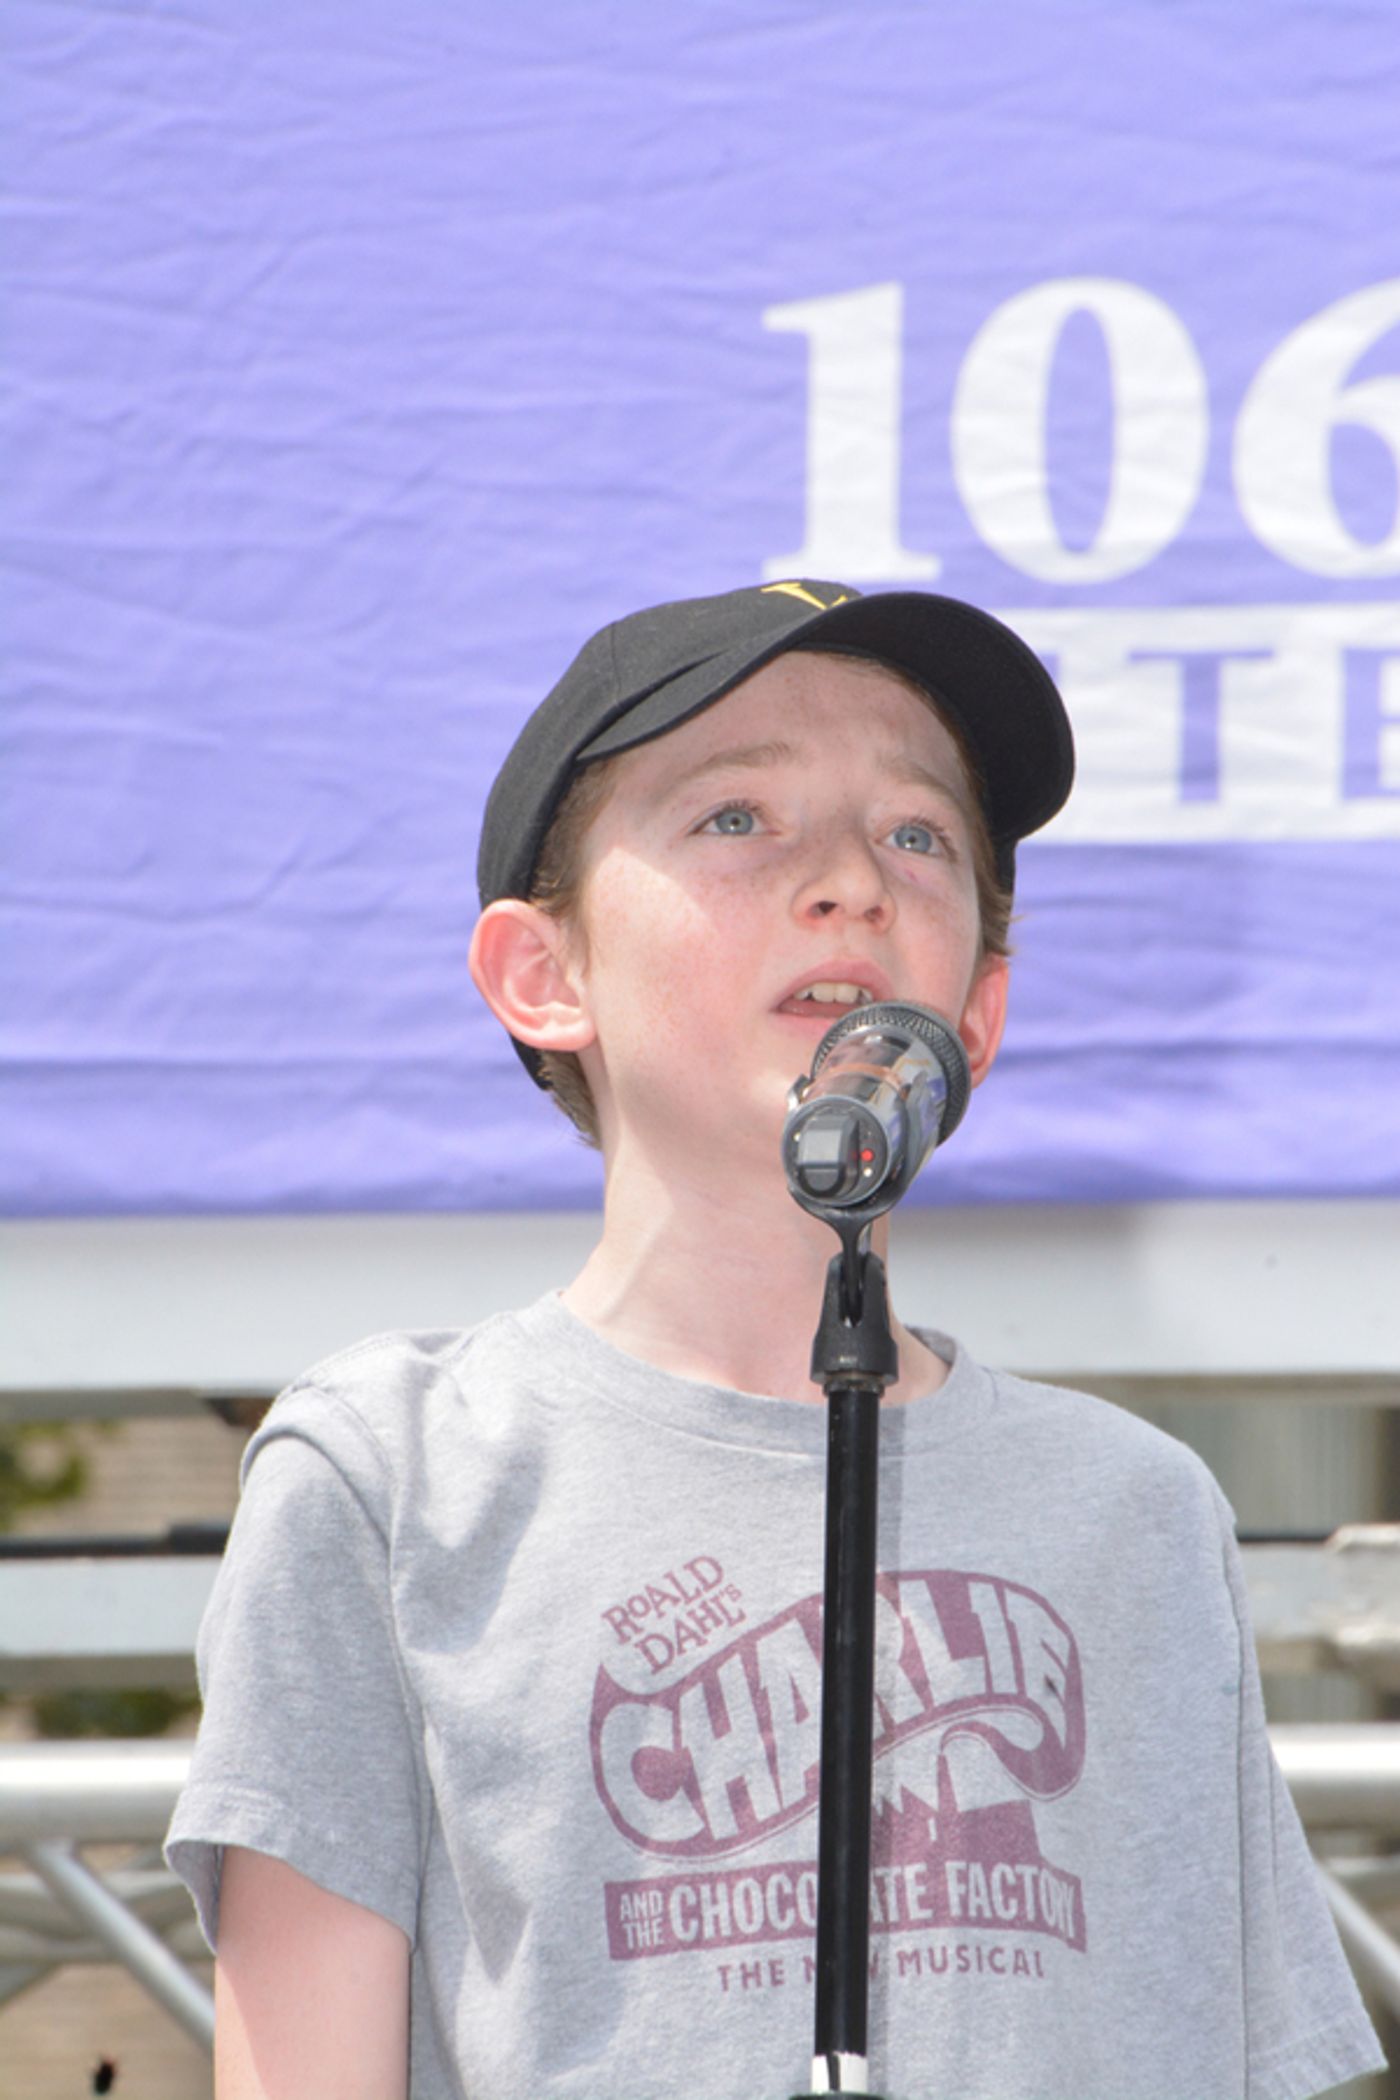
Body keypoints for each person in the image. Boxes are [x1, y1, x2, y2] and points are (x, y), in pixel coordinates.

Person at [166, 580, 1384, 2099]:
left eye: (919, 835)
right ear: (541, 977)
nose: (854, 882)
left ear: (981, 1013)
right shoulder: (392, 1476)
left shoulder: (1136, 1508)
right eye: (738, 818)